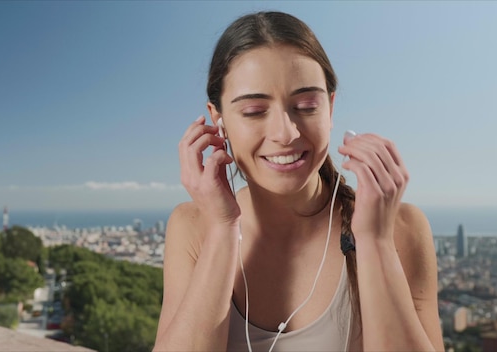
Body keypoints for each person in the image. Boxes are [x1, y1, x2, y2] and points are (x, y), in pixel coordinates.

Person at [153, 10, 444, 352]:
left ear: (330, 108)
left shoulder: (401, 229)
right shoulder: (192, 227)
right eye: (254, 111)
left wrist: (375, 242)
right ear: (218, 119)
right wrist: (222, 228)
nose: (286, 133)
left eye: (306, 106)